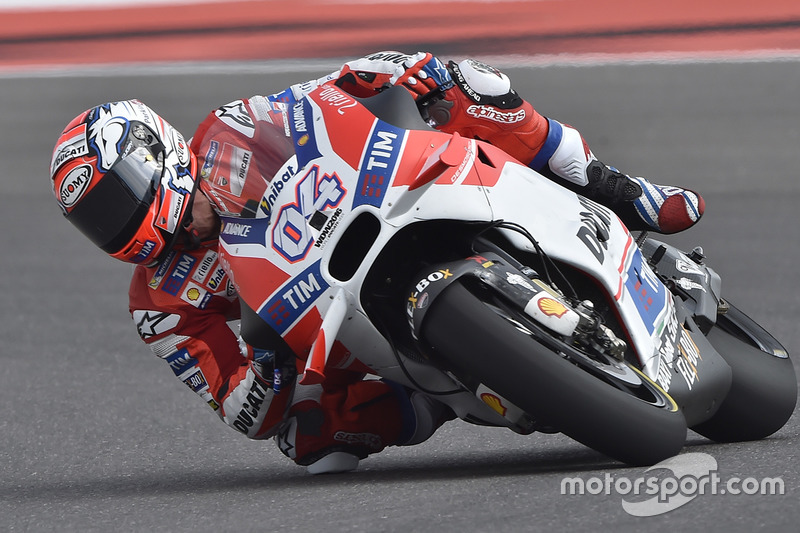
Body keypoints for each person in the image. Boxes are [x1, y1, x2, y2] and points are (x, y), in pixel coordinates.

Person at [49, 51, 704, 474]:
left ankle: (615, 189)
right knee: (304, 441)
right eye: (98, 218)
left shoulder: (230, 129)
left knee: (473, 84)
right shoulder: (159, 302)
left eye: (117, 195)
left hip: (373, 202)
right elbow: (239, 403)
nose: (118, 219)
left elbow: (321, 96)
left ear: (153, 150)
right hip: (325, 325)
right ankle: (447, 393)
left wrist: (392, 73)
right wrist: (260, 378)